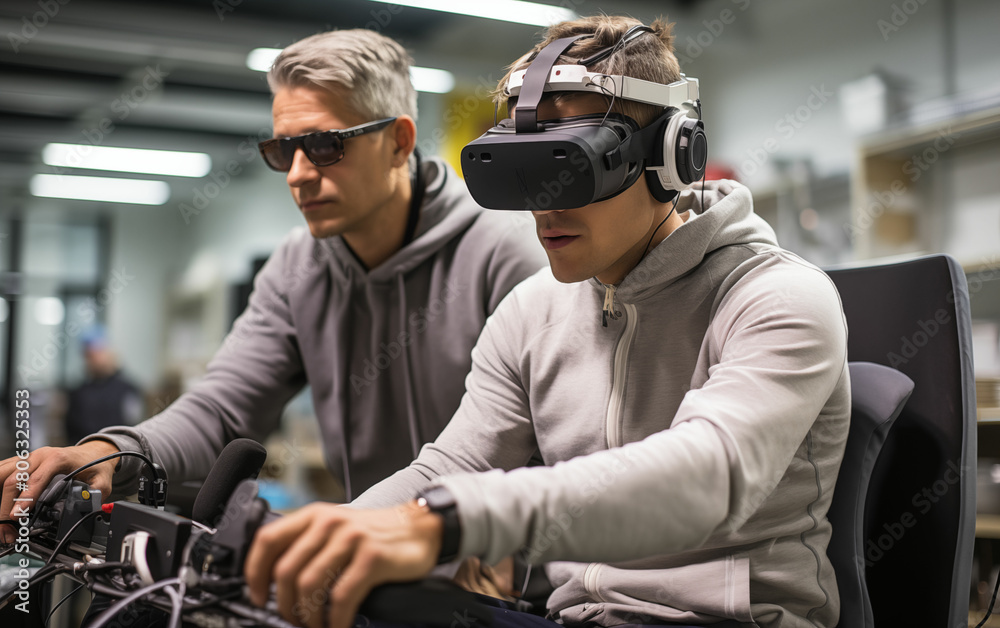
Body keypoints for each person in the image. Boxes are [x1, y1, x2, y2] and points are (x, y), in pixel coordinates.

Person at [238, 15, 851, 628]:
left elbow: (709, 476)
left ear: (669, 155)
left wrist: (451, 522)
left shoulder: (777, 297)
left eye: (573, 164)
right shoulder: (532, 310)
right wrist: (340, 534)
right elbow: (451, 466)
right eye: (523, 170)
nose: (543, 203)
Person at [0, 30, 545, 537]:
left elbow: (556, 445)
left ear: (400, 142)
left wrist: (480, 534)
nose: (298, 174)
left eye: (327, 145)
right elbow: (222, 409)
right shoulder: (296, 267)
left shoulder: (508, 252)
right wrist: (109, 452)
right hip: (367, 553)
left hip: (505, 571)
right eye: (284, 150)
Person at [63, 326, 144, 445]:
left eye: (99, 352)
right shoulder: (78, 393)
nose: (95, 359)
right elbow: (71, 431)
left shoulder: (127, 390)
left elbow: (134, 426)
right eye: (89, 355)